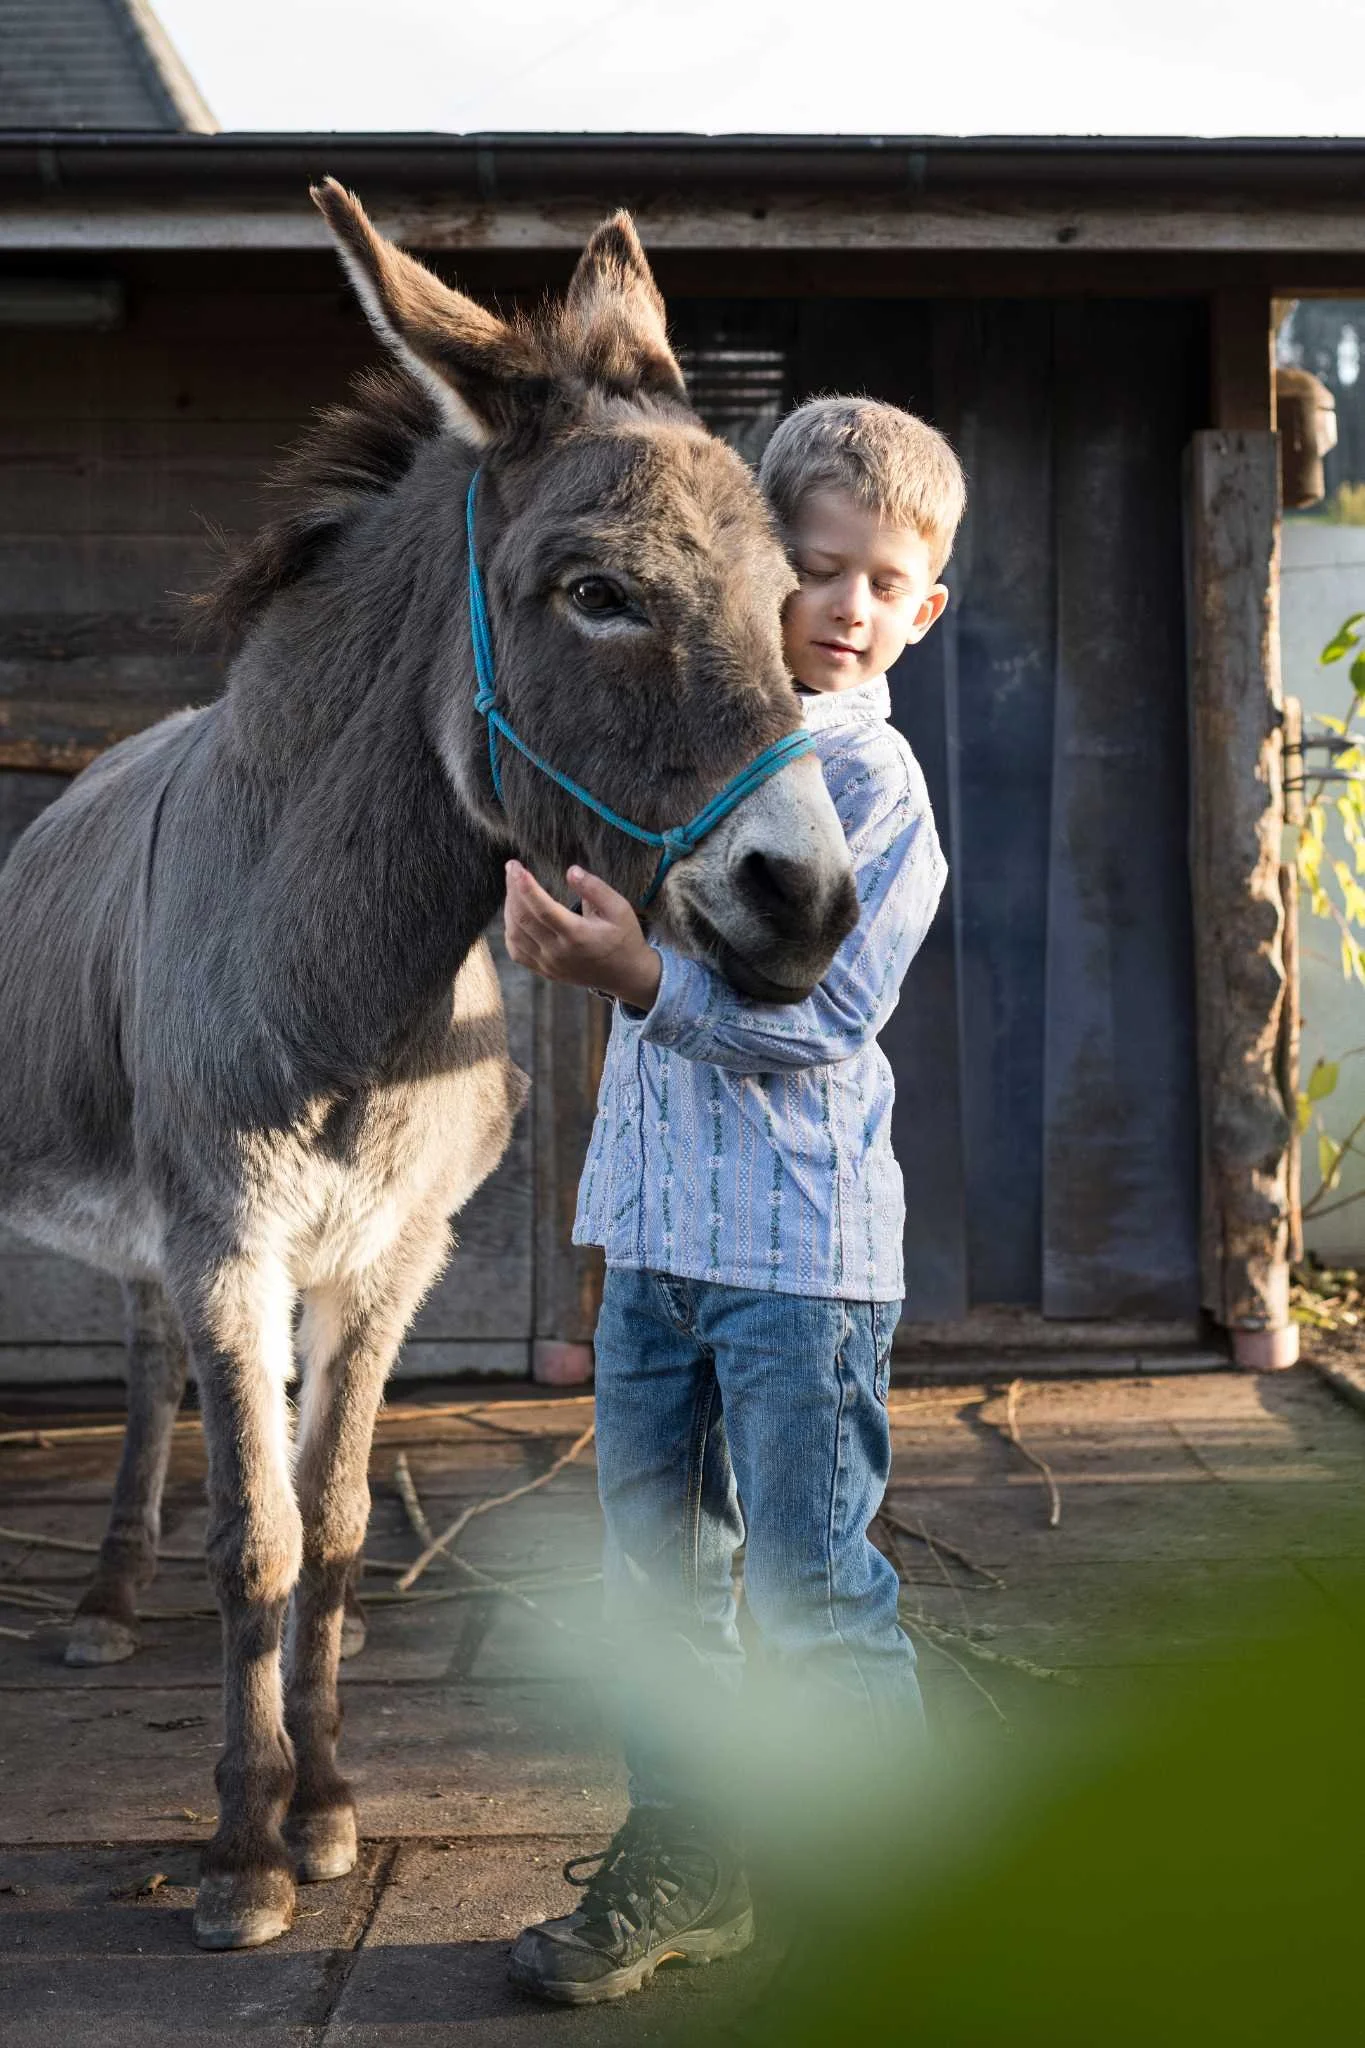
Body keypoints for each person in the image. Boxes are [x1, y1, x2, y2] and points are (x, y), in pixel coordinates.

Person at [503, 395, 965, 2006]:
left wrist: (630, 971)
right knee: (660, 1585)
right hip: (655, 1250)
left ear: (924, 608)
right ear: (757, 568)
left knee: (814, 1584)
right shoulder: (685, 747)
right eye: (815, 568)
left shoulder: (880, 785)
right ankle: (692, 1865)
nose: (843, 608)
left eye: (879, 580)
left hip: (798, 1264)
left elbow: (824, 1023)